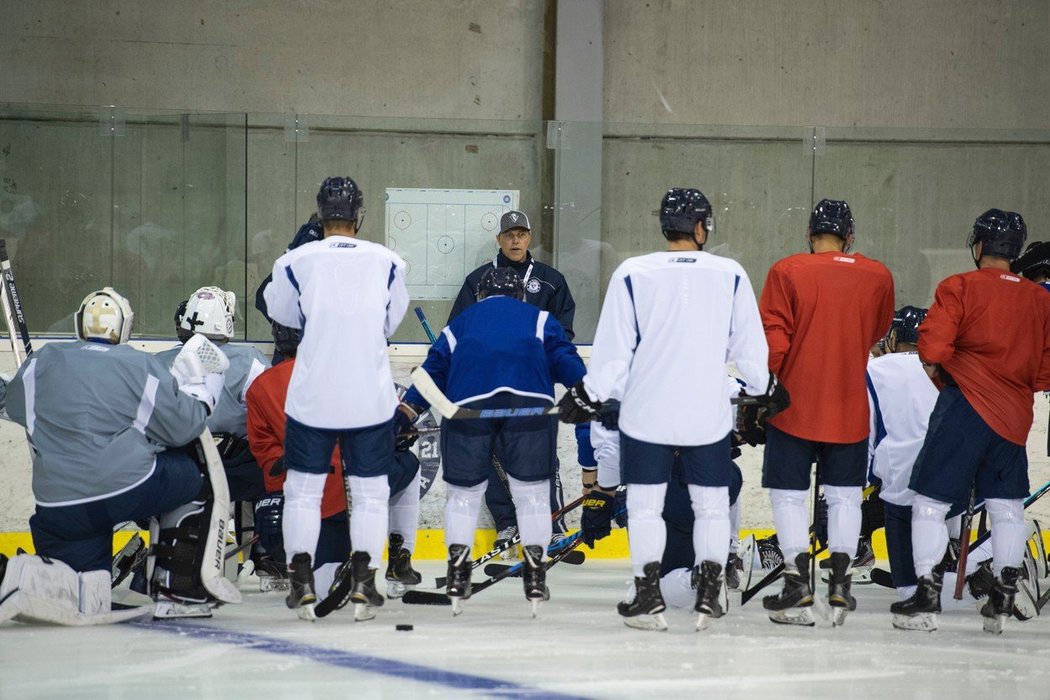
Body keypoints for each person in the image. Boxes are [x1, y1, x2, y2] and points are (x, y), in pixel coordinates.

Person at [557, 187, 783, 631]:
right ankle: (709, 592)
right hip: (706, 415)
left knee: (644, 506)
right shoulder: (730, 273)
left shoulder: (632, 272)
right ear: (702, 228)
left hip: (647, 415)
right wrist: (766, 386)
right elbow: (751, 350)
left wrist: (587, 393)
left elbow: (613, 353)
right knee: (713, 506)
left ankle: (647, 597)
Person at [0, 287, 237, 623]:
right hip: (123, 489)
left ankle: (28, 576)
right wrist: (203, 393)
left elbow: (11, 402)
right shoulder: (139, 365)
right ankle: (177, 589)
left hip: (58, 508)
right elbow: (184, 428)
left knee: (87, 592)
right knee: (191, 475)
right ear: (125, 327)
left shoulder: (41, 361)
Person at [891, 209, 1050, 634]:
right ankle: (1003, 594)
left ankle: (925, 598)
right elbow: (1045, 370)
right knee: (1007, 506)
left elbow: (935, 348)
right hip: (1014, 416)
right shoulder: (1040, 299)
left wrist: (956, 369)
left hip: (964, 408)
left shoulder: (958, 286)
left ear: (979, 245)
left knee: (929, 499)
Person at [400, 266, 586, 615]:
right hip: (530, 408)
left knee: (463, 495)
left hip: (468, 408)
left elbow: (431, 371)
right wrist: (585, 390)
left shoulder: (461, 323)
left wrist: (406, 412)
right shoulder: (540, 318)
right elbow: (564, 357)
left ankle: (457, 571)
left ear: (481, 295)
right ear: (520, 294)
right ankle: (535, 574)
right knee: (530, 495)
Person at [263, 176, 408, 622]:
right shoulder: (388, 261)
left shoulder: (295, 260)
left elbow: (281, 312)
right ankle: (365, 581)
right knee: (370, 494)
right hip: (369, 394)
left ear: (320, 213)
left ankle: (301, 579)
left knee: (302, 491)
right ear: (359, 215)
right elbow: (391, 321)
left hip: (314, 393)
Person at [753, 198, 894, 627]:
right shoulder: (877, 275)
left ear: (811, 234)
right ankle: (840, 583)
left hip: (794, 405)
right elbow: (878, 329)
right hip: (849, 404)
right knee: (845, 495)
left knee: (789, 494)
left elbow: (773, 339)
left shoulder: (787, 270)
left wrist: (766, 388)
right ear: (849, 235)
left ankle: (797, 584)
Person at [246, 320, 423, 599]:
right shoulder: (348, 372)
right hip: (348, 489)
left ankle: (302, 567)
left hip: (298, 500)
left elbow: (264, 450)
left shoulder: (260, 386)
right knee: (410, 465)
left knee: (323, 579)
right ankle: (400, 558)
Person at [448, 210, 579, 554]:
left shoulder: (551, 280)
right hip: (486, 385)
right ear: (500, 239)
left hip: (532, 384)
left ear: (530, 237)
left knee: (542, 457)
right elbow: (460, 330)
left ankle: (550, 525)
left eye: (522, 234)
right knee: (489, 455)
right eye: (510, 235)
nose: (516, 240)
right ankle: (507, 523)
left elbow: (562, 335)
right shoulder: (478, 280)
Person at [157, 287, 270, 505]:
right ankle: (254, 535)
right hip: (232, 470)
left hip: (174, 465)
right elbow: (268, 417)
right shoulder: (251, 360)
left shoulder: (159, 362)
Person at [865, 306, 939, 605]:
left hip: (899, 467)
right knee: (939, 512)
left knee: (895, 509)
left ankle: (908, 588)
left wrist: (863, 476)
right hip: (948, 466)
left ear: (893, 338)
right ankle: (969, 565)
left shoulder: (873, 369)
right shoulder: (945, 365)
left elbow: (868, 426)